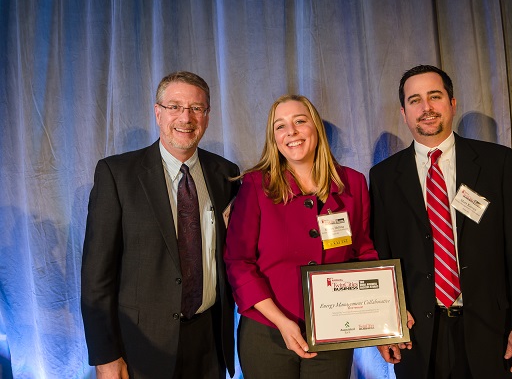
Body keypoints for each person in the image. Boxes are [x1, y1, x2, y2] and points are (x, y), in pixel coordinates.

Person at [369, 65, 512, 379]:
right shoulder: (384, 177)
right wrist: (386, 326)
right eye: (415, 100)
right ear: (404, 112)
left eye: (434, 97)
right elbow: (381, 257)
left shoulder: (496, 163)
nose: (426, 107)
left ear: (452, 103)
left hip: (491, 330)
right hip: (418, 336)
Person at [81, 71, 239, 379]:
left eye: (196, 108)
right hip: (141, 347)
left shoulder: (226, 174)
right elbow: (96, 278)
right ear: (158, 112)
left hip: (209, 342)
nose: (186, 117)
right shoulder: (117, 175)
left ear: (207, 116)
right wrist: (106, 356)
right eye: (175, 106)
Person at [224, 94, 378, 379]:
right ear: (274, 139)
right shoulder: (256, 185)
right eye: (280, 126)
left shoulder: (353, 183)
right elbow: (238, 262)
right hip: (267, 331)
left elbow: (363, 252)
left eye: (299, 121)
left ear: (315, 128)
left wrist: (385, 312)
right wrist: (281, 322)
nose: (291, 132)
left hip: (334, 331)